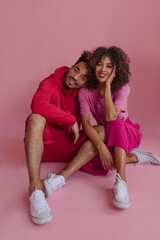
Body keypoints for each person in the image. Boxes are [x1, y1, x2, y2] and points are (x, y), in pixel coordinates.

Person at [44, 47, 160, 212]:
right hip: (107, 136)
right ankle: (132, 157)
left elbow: (112, 116)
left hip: (127, 132)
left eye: (108, 66)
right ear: (94, 66)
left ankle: (121, 182)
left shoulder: (123, 88)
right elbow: (86, 123)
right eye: (99, 64)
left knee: (115, 123)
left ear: (115, 70)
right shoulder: (85, 91)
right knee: (86, 155)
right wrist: (101, 146)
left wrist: (107, 87)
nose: (103, 69)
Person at [25, 51, 110, 225]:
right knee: (35, 117)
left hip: (69, 144)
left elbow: (103, 115)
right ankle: (35, 189)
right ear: (70, 67)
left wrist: (107, 85)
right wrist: (70, 119)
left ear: (86, 83)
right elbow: (37, 103)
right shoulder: (50, 82)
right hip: (43, 145)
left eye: (83, 77)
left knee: (102, 131)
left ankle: (60, 178)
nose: (75, 77)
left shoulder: (83, 93)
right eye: (76, 70)